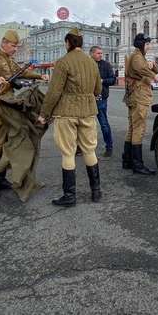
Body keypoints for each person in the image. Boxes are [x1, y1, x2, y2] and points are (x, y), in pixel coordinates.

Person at [0, 30, 48, 199]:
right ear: (4, 43)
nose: (15, 49)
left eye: (17, 46)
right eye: (13, 46)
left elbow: (22, 72)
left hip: (9, 103)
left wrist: (39, 75)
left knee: (7, 141)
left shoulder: (10, 60)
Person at [37, 28, 103, 207]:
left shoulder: (63, 62)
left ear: (68, 43)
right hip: (88, 111)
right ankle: (96, 192)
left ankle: (70, 196)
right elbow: (98, 90)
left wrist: (44, 114)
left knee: (68, 152)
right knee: (89, 150)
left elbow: (54, 91)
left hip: (66, 112)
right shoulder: (92, 63)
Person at [123, 33, 158, 175]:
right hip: (139, 96)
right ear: (141, 44)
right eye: (148, 44)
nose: (149, 46)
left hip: (134, 95)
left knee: (132, 128)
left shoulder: (139, 56)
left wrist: (152, 65)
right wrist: (153, 75)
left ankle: (127, 160)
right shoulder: (137, 57)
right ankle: (137, 165)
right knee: (139, 128)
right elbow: (141, 69)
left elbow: (148, 67)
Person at [90, 45, 116, 157]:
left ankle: (109, 147)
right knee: (86, 125)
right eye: (98, 53)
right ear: (92, 54)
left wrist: (102, 80)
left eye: (101, 53)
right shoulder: (87, 64)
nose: (101, 55)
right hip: (87, 98)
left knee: (104, 123)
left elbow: (113, 80)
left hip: (101, 98)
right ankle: (82, 148)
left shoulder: (106, 65)